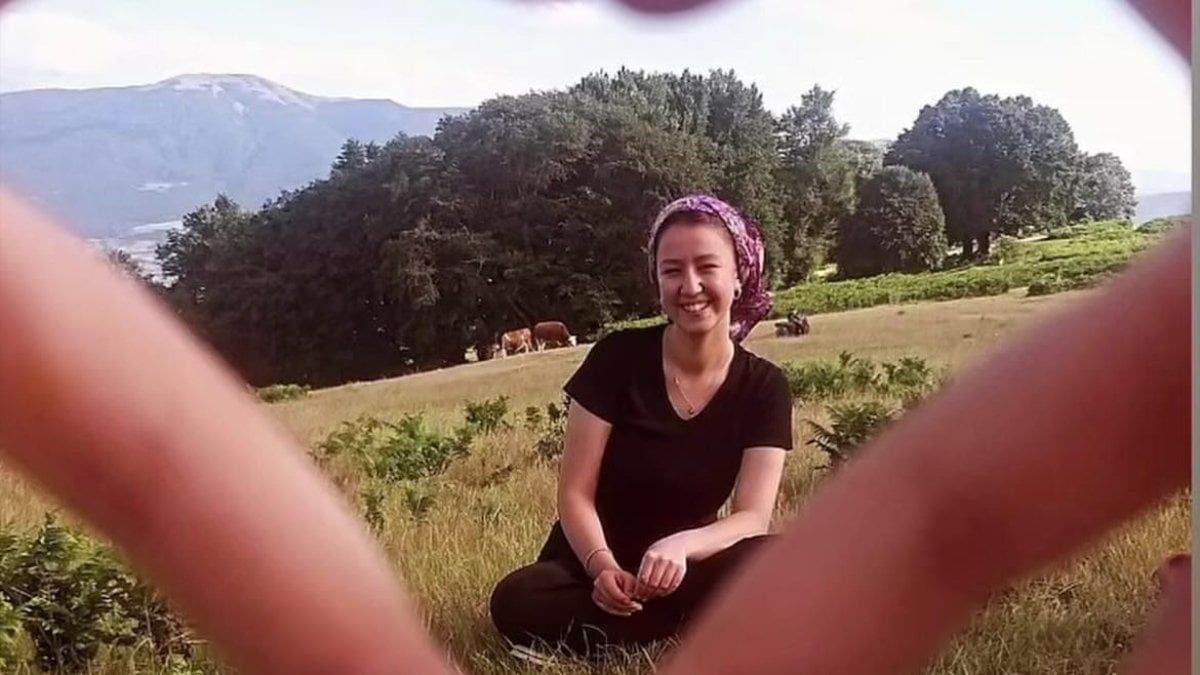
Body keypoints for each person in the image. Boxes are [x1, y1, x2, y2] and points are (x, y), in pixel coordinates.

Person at [488, 195, 794, 656]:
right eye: (672, 270)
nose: (690, 286)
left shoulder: (765, 386)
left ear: (739, 276)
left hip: (684, 565)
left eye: (707, 267)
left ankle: (624, 636)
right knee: (516, 599)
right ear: (657, 281)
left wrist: (682, 546)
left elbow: (752, 517)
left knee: (779, 559)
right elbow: (575, 494)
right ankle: (678, 627)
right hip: (590, 566)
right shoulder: (617, 358)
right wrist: (602, 568)